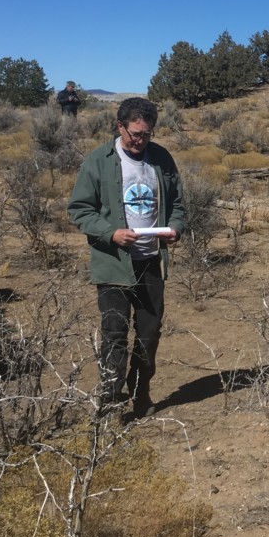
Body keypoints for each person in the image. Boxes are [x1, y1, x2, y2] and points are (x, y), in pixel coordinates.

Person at [67, 97, 185, 416]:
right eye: (134, 133)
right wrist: (111, 233)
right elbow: (80, 209)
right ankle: (109, 399)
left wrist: (175, 227)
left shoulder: (161, 159)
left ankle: (139, 390)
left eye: (146, 134)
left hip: (151, 262)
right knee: (115, 332)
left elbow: (177, 204)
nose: (140, 140)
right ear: (120, 126)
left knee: (149, 334)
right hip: (113, 262)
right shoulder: (99, 160)